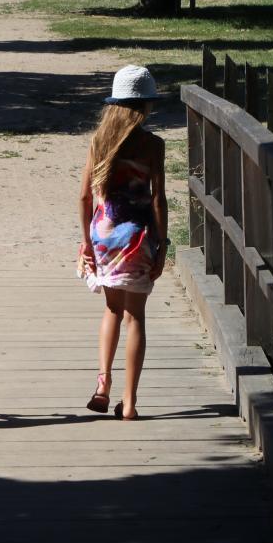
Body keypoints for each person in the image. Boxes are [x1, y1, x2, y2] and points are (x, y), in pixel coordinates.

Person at [78, 66, 168, 420]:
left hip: (104, 236)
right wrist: (162, 245)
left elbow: (84, 197)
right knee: (136, 317)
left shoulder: (99, 141)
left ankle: (103, 385)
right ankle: (129, 402)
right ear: (145, 105)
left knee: (112, 309)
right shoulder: (153, 145)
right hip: (138, 237)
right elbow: (158, 200)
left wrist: (86, 243)